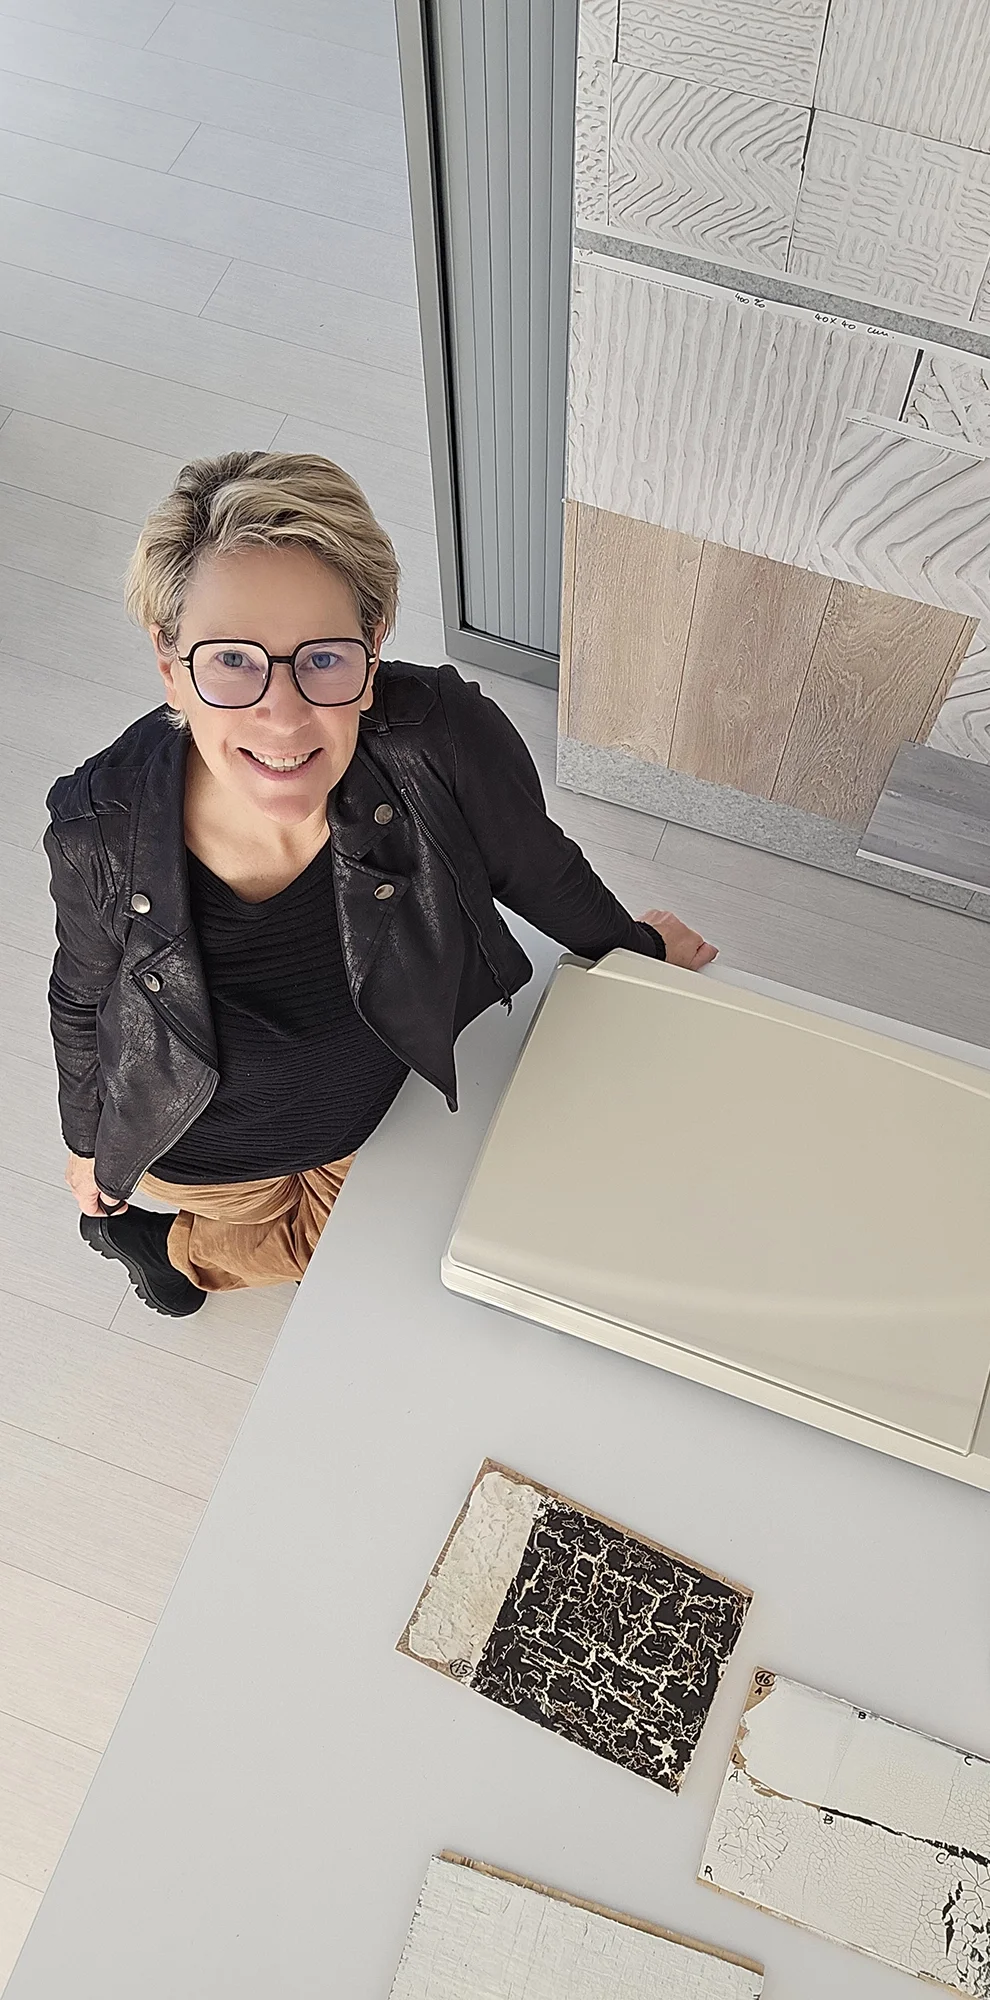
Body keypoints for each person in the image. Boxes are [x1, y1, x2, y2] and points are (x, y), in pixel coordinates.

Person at [45, 451, 717, 1319]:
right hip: (203, 1152)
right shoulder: (96, 830)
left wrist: (640, 951)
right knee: (309, 1242)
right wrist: (86, 1143)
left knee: (358, 1243)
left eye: (323, 658)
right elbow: (80, 995)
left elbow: (537, 869)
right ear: (170, 664)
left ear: (373, 647)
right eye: (232, 660)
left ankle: (167, 1251)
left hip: (370, 1113)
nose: (283, 715)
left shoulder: (442, 738)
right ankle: (172, 1239)